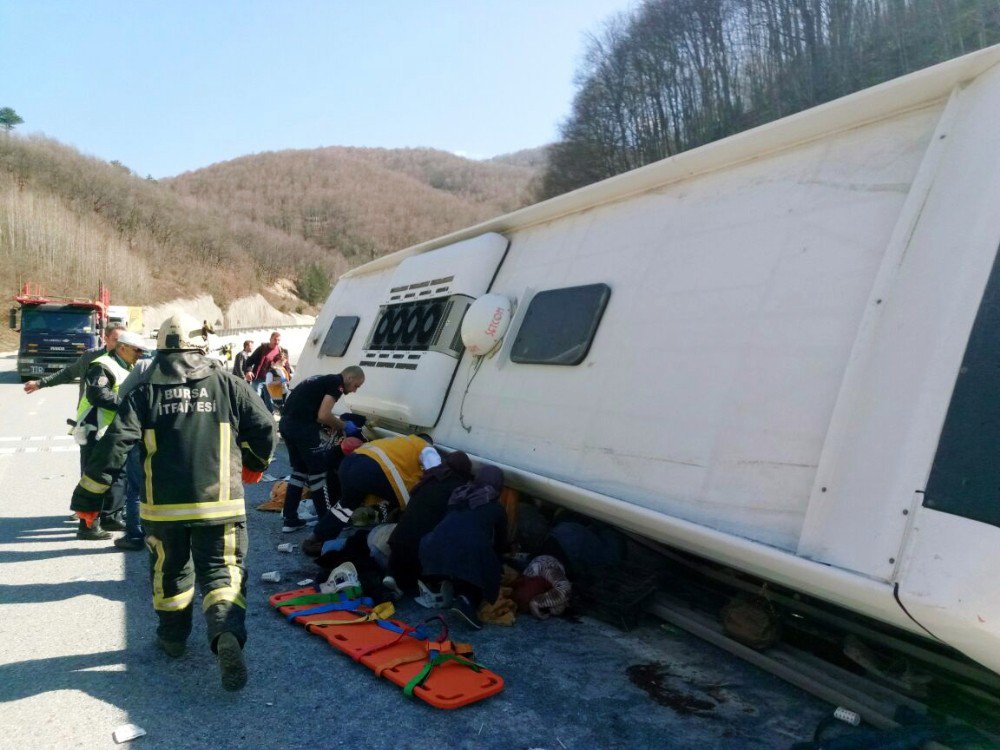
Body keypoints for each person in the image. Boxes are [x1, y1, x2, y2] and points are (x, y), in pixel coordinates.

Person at [70, 313, 276, 691]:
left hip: (163, 510)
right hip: (221, 505)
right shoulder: (228, 384)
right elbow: (265, 426)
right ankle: (225, 632)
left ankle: (173, 639)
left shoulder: (144, 390)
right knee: (224, 570)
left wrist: (89, 499)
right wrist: (254, 464)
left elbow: (115, 444)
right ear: (200, 347)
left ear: (160, 348)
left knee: (171, 572)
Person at [72, 329, 153, 540]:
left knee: (117, 477)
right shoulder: (102, 365)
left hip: (113, 431)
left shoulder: (128, 365)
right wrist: (130, 405)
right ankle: (87, 525)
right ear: (122, 348)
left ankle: (110, 516)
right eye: (137, 350)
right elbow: (99, 395)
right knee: (95, 479)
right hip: (95, 430)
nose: (140, 354)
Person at [304, 432, 433, 554]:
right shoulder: (424, 446)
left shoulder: (397, 441)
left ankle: (316, 538)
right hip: (372, 469)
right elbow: (435, 473)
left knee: (345, 507)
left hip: (349, 464)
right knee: (410, 504)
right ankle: (401, 542)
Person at [278, 366, 365, 533]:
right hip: (303, 429)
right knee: (318, 472)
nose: (354, 390)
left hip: (287, 425)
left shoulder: (321, 378)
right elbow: (323, 415)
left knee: (300, 471)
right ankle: (326, 521)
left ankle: (290, 519)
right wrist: (344, 426)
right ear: (349, 379)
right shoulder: (336, 384)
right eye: (356, 386)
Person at [419, 465, 507, 630]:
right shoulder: (496, 508)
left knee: (461, 556)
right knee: (484, 565)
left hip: (432, 545)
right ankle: (466, 601)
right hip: (466, 549)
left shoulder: (459, 495)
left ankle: (442, 585)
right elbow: (501, 545)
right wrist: (497, 567)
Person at [387, 450, 473, 592]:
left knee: (401, 556)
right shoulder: (458, 490)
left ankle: (391, 575)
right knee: (413, 579)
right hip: (418, 547)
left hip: (396, 538)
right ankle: (409, 585)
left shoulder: (430, 478)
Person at [110, 346, 157, 551]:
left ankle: (136, 535)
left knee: (136, 489)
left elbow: (122, 394)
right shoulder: (196, 367)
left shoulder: (145, 366)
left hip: (141, 436)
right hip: (174, 440)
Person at [23, 322, 123, 398]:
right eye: (116, 340)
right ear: (106, 338)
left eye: (124, 340)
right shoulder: (91, 356)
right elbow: (68, 373)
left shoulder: (130, 360)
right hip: (88, 417)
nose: (121, 344)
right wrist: (40, 383)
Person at [243, 331, 282, 412]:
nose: (276, 342)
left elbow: (284, 364)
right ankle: (253, 414)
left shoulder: (279, 350)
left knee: (270, 401)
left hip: (272, 380)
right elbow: (250, 360)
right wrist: (249, 371)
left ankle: (270, 417)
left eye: (278, 340)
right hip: (259, 378)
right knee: (255, 398)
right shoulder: (262, 348)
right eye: (275, 339)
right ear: (270, 339)